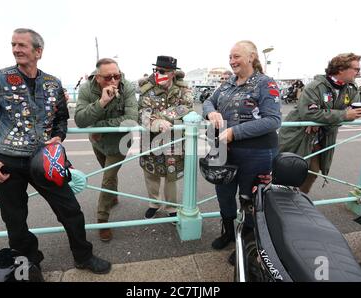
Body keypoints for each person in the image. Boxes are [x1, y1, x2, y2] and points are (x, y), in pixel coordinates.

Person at [0, 28, 111, 274]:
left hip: (44, 160)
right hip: (5, 162)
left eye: (22, 45)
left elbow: (62, 119)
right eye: (13, 45)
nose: (16, 49)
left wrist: (59, 135)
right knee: (15, 220)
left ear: (38, 51)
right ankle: (29, 265)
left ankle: (83, 256)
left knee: (71, 211)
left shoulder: (53, 83)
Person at [202, 40, 281, 264]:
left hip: (256, 152)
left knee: (249, 199)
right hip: (224, 150)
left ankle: (246, 243)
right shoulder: (228, 83)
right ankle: (228, 232)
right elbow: (208, 101)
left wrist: (234, 132)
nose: (232, 60)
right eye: (230, 56)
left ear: (251, 57)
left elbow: (273, 120)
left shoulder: (266, 84)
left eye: (237, 56)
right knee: (224, 194)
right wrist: (211, 114)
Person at [278, 53, 361, 194]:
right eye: (355, 69)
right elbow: (309, 113)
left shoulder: (352, 88)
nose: (359, 72)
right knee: (287, 170)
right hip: (298, 135)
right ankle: (275, 200)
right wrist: (341, 115)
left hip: (322, 138)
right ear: (341, 69)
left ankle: (298, 200)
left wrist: (321, 119)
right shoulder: (315, 86)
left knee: (313, 172)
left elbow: (353, 114)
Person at [74, 58, 138, 242]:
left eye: (116, 76)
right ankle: (114, 197)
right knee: (107, 172)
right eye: (108, 77)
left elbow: (132, 119)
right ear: (97, 76)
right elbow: (79, 120)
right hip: (97, 142)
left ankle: (102, 220)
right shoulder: (87, 89)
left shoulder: (127, 88)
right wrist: (101, 102)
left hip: (120, 142)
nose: (113, 81)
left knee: (107, 178)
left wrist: (99, 126)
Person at [138, 55, 193, 219]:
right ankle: (154, 203)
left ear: (173, 73)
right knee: (151, 174)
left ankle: (171, 207)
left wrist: (162, 117)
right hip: (151, 139)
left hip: (174, 139)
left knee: (171, 175)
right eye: (157, 70)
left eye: (164, 71)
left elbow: (187, 107)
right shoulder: (146, 90)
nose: (159, 74)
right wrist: (156, 123)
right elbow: (141, 114)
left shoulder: (183, 89)